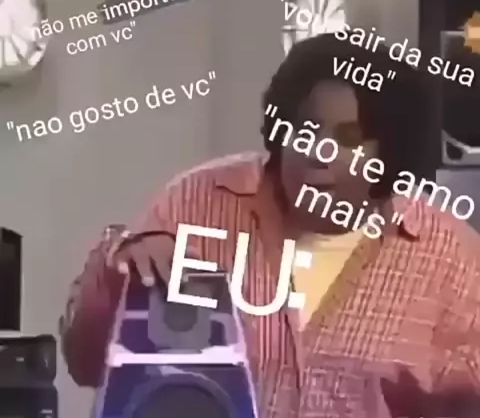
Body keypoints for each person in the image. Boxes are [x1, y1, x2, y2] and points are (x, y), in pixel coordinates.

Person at [60, 33, 480, 417]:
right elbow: (86, 362)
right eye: (306, 128)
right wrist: (119, 270)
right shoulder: (196, 202)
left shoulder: (450, 255)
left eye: (349, 137)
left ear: (391, 151)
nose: (319, 152)